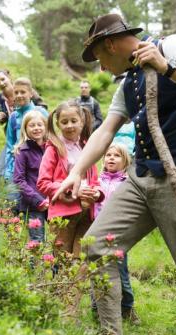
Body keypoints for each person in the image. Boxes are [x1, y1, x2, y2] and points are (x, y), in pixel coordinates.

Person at [52, 13, 176, 335]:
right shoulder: (126, 84)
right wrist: (74, 173)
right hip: (141, 176)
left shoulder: (173, 46)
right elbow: (105, 131)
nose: (101, 67)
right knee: (98, 245)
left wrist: (167, 68)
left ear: (111, 44)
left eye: (100, 57)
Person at [37, 99, 104, 258]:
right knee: (62, 258)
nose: (69, 125)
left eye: (74, 121)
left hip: (87, 211)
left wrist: (97, 193)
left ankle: (79, 284)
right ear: (58, 124)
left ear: (82, 121)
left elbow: (95, 179)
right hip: (63, 213)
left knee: (82, 256)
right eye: (64, 122)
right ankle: (59, 283)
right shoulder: (54, 148)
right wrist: (71, 190)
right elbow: (43, 183)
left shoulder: (87, 146)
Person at [93, 144, 139, 325]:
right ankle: (97, 309)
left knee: (121, 274)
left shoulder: (127, 184)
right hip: (98, 234)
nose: (111, 158)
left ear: (126, 161)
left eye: (117, 156)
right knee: (96, 273)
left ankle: (127, 308)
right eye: (108, 155)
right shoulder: (98, 180)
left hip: (118, 237)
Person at [13, 110, 49, 242]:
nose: (36, 128)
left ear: (45, 126)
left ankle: (55, 263)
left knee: (59, 239)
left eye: (39, 124)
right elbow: (18, 180)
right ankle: (36, 263)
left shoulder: (51, 149)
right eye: (32, 125)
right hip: (34, 204)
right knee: (37, 239)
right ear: (25, 129)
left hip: (53, 201)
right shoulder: (23, 151)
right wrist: (38, 200)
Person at [4, 77, 48, 181]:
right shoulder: (13, 117)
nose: (19, 95)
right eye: (16, 92)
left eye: (23, 92)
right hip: (19, 168)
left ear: (31, 93)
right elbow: (10, 145)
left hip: (40, 167)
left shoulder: (41, 113)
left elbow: (50, 140)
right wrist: (8, 172)